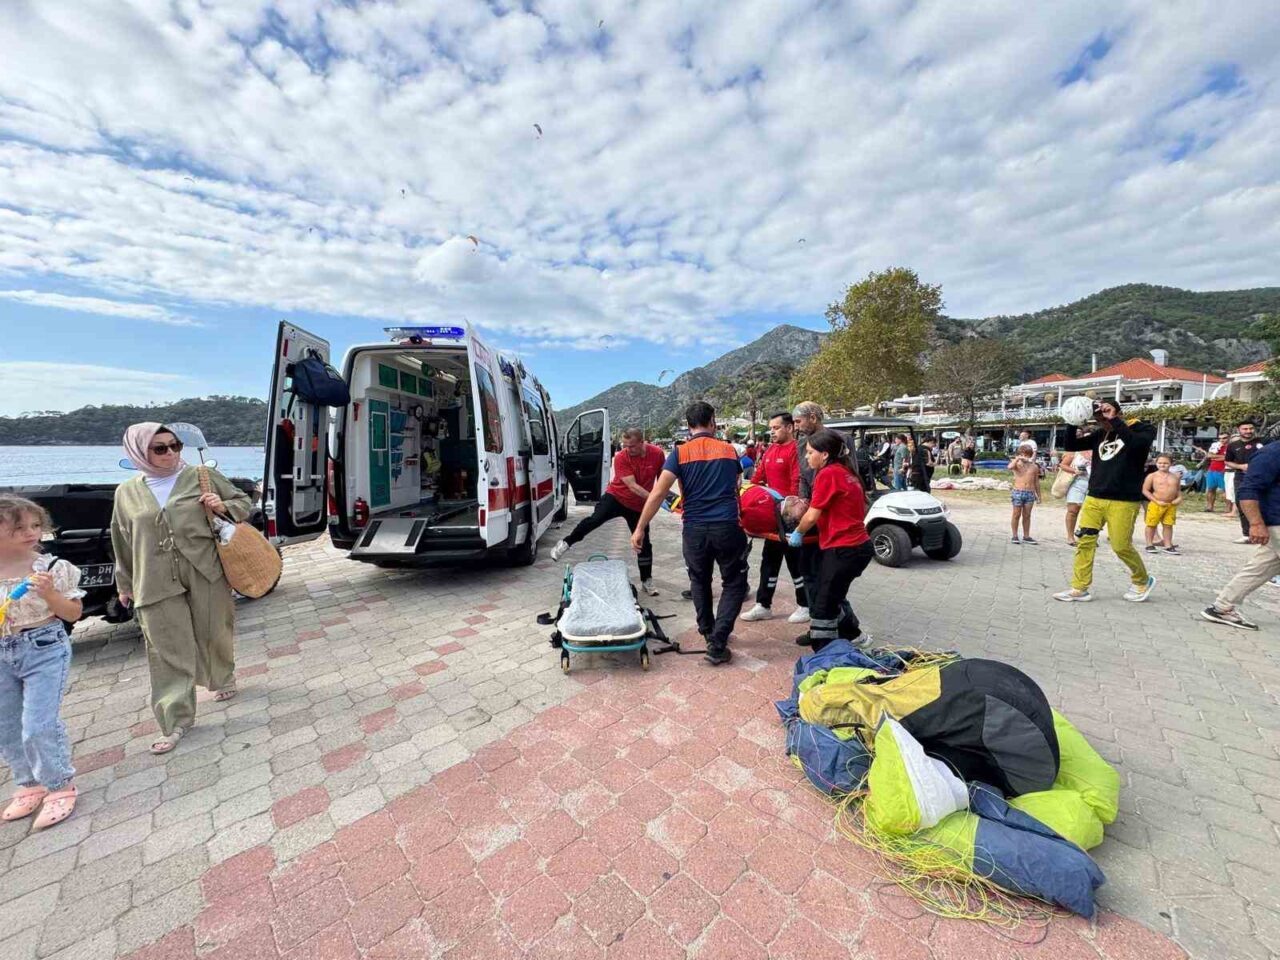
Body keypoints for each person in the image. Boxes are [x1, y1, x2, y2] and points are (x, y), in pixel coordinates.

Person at [111, 424, 251, 754]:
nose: (171, 453)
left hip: (204, 569)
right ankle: (175, 720)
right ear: (138, 452)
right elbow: (122, 539)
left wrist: (222, 505)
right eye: (159, 448)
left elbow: (242, 502)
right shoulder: (126, 493)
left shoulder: (200, 475)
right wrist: (125, 583)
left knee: (214, 629)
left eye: (175, 445)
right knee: (166, 648)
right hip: (154, 578)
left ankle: (221, 676)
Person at [632, 402, 746, 665]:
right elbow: (737, 483)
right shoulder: (729, 450)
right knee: (734, 582)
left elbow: (659, 493)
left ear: (689, 424)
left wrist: (639, 528)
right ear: (712, 421)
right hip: (727, 527)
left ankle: (708, 631)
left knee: (699, 580)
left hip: (694, 529)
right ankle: (719, 641)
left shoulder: (679, 453)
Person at [0, 496, 84, 830]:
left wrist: (50, 594)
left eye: (36, 526)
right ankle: (28, 782)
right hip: (3, 650)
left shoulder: (50, 568)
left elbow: (73, 614)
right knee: (6, 724)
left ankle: (59, 784)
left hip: (43, 646)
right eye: (18, 527)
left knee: (37, 723)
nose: (30, 533)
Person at [1053, 400, 1156, 603]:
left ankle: (1142, 580)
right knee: (1085, 541)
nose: (1101, 418)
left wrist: (1114, 419)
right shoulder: (1100, 434)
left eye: (1106, 412)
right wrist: (1072, 421)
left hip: (1124, 500)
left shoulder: (1142, 428)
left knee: (1120, 546)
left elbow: (1135, 445)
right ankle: (1079, 587)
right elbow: (1071, 445)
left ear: (1118, 412)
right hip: (1095, 497)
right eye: (1098, 415)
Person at [788, 429, 874, 651]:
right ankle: (853, 635)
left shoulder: (828, 475)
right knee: (831, 595)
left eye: (809, 452)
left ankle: (823, 650)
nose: (806, 457)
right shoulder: (846, 471)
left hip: (845, 549)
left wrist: (797, 532)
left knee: (823, 604)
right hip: (856, 546)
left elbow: (812, 515)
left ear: (824, 454)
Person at [552, 427, 665, 594]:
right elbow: (632, 486)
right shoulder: (620, 457)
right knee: (594, 520)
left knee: (643, 542)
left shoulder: (657, 453)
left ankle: (646, 580)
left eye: (632, 446)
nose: (628, 449)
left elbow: (663, 479)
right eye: (625, 445)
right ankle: (566, 543)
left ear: (643, 442)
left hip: (638, 506)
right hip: (616, 497)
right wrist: (655, 499)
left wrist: (668, 498)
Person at [1202, 439, 1280, 628]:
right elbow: (1247, 490)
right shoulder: (1271, 454)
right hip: (1277, 520)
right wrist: (1255, 523)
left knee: (1261, 568)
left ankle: (1222, 607)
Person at [740, 412, 809, 624]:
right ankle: (763, 605)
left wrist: (791, 513)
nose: (772, 431)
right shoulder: (769, 449)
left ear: (789, 428)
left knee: (796, 563)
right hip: (772, 516)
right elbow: (758, 478)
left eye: (776, 427)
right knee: (768, 562)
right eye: (771, 428)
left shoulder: (797, 450)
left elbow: (798, 483)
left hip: (789, 517)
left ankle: (805, 605)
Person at [1225, 421, 1266, 542]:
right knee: (1242, 504)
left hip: (1262, 477)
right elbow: (1228, 461)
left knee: (1262, 503)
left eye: (1251, 428)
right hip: (1241, 477)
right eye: (1245, 429)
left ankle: (1265, 532)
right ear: (1239, 430)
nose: (1248, 431)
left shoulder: (1264, 442)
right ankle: (1247, 534)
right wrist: (1241, 466)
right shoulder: (1233, 445)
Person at [1143, 454, 1182, 554]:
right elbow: (1145, 490)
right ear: (1156, 463)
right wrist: (1156, 501)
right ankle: (1149, 544)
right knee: (1151, 524)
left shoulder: (1175, 477)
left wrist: (1179, 499)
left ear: (1171, 464)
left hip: (1170, 505)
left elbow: (1178, 491)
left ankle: (1168, 545)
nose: (1162, 465)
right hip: (1156, 504)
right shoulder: (1152, 476)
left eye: (1165, 463)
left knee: (1168, 525)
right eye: (1160, 463)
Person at [1008, 444, 1042, 544]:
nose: (1025, 457)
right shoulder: (1016, 464)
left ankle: (1026, 536)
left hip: (1030, 493)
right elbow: (1009, 467)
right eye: (1023, 454)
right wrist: (1017, 458)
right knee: (1016, 514)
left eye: (1027, 455)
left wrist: (1039, 496)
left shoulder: (1034, 466)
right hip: (1018, 491)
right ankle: (1014, 535)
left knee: (1027, 515)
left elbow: (1036, 482)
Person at [1061, 450, 1091, 546]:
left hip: (1095, 484)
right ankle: (1070, 537)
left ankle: (1087, 535)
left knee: (1091, 511)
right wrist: (1075, 470)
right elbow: (1063, 465)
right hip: (1077, 482)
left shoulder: (1100, 450)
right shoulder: (1075, 452)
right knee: (1073, 510)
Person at [1204, 431, 1229, 512]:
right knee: (1210, 489)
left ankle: (1228, 508)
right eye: (1220, 438)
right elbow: (1209, 456)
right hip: (1212, 469)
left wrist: (1215, 457)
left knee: (1225, 490)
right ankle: (1210, 507)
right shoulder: (1215, 445)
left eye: (1224, 438)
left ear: (1229, 438)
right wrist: (1221, 457)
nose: (1222, 440)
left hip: (1223, 470)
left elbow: (1227, 458)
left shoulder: (1231, 447)